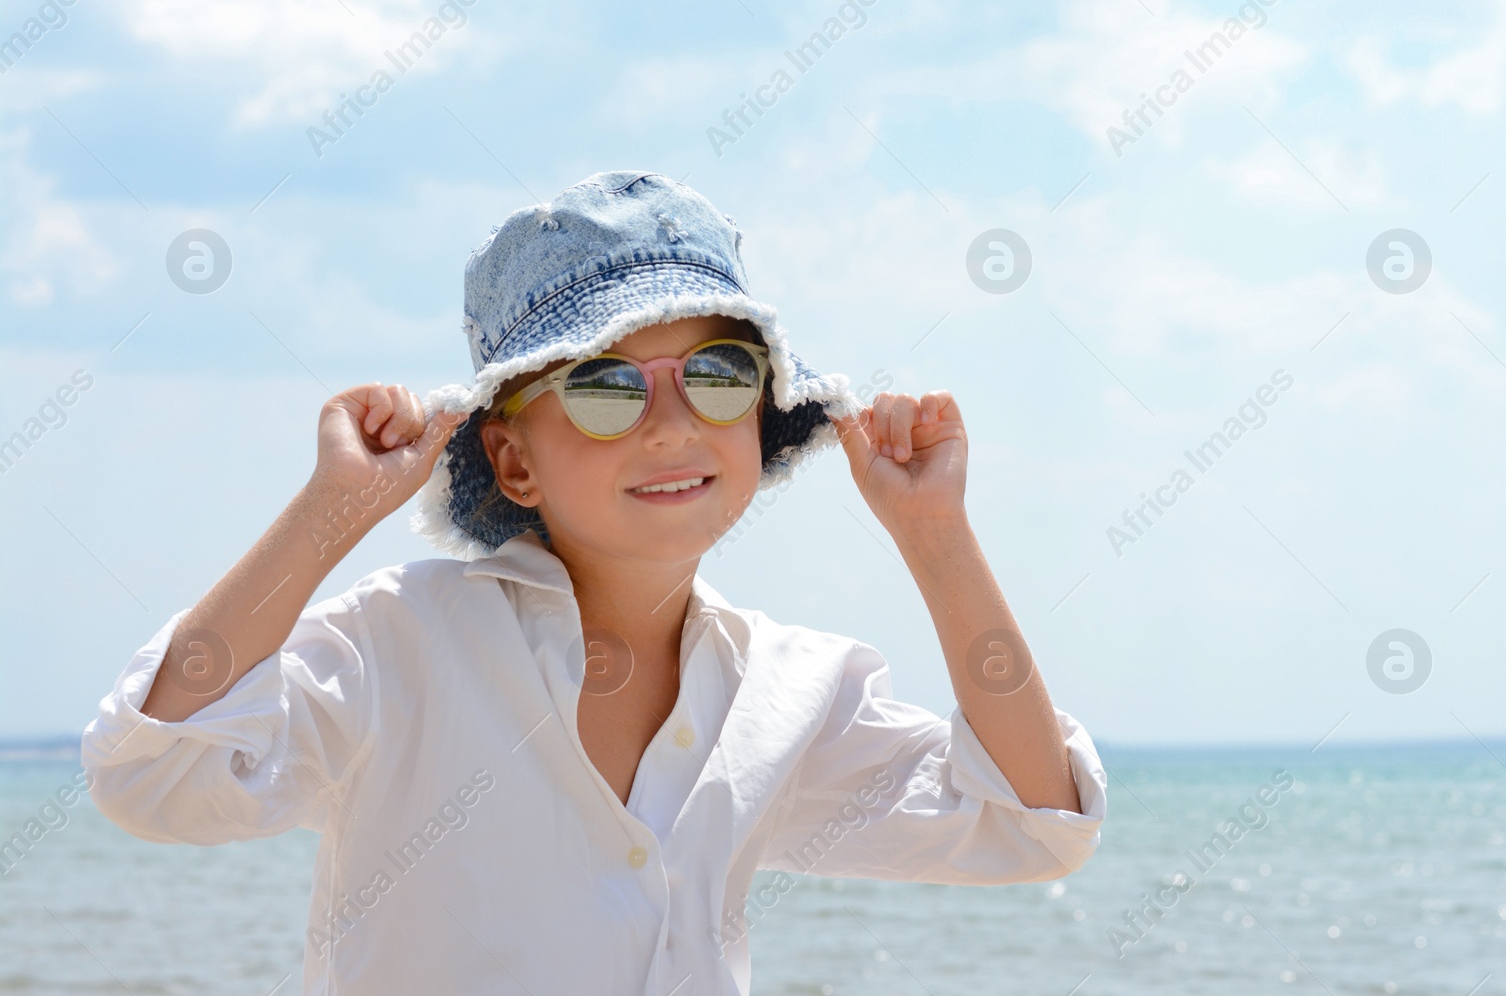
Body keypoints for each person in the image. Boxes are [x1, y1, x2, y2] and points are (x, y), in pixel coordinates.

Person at [81, 170, 1107, 995]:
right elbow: (154, 775)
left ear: (759, 412)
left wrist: (935, 536)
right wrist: (331, 513)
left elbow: (1033, 819)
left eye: (715, 374)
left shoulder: (790, 691)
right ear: (513, 460)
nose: (672, 424)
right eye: (606, 386)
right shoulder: (402, 644)